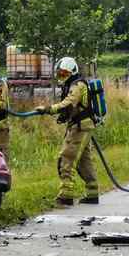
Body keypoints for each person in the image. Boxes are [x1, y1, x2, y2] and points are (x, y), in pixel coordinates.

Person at [36, 57, 100, 206]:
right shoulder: (73, 84)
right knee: (84, 161)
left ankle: (66, 195)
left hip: (80, 127)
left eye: (65, 74)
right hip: (82, 125)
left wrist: (49, 109)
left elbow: (69, 103)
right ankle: (92, 193)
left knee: (67, 158)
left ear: (72, 72)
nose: (62, 77)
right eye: (60, 74)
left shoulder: (77, 85)